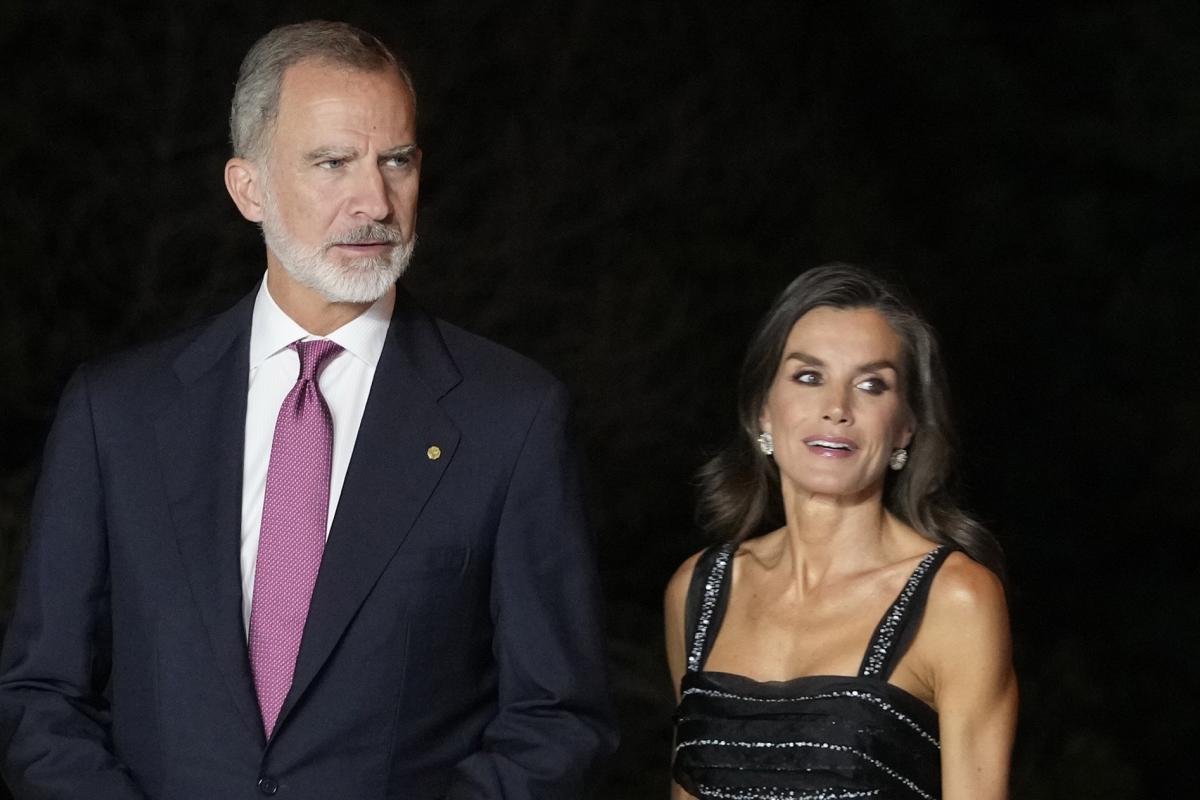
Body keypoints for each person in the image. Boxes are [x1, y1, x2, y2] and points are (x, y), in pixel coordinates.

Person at [0, 20, 615, 799]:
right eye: (333, 163)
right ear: (247, 187)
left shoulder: (511, 418)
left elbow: (558, 720)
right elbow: (43, 698)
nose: (375, 199)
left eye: (397, 160)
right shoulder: (116, 413)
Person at [664, 264, 1017, 799]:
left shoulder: (957, 600)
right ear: (762, 408)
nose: (836, 409)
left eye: (872, 385)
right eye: (808, 377)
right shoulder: (700, 591)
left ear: (905, 425)